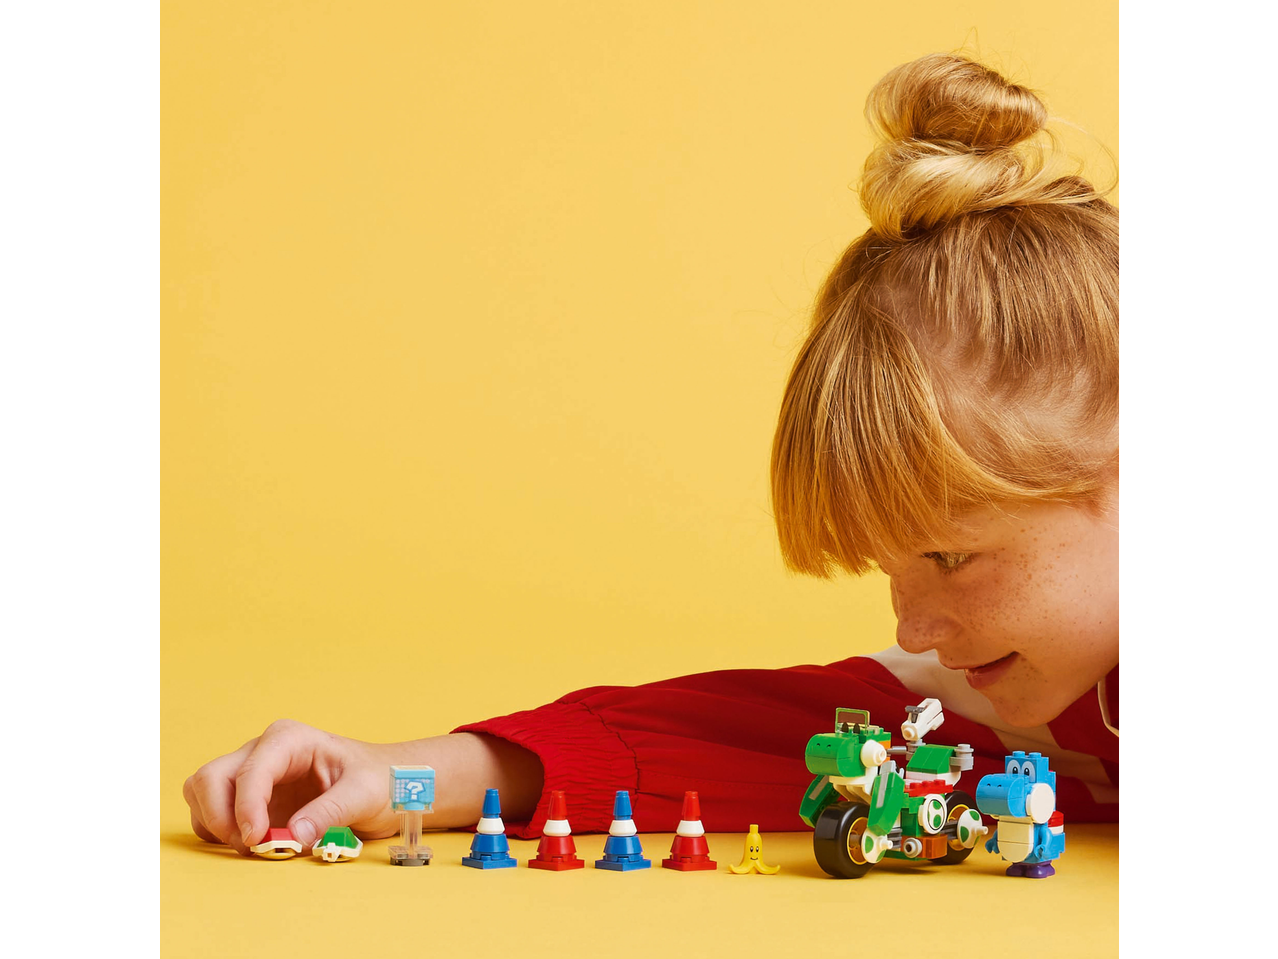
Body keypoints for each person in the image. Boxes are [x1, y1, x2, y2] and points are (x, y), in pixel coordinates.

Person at [183, 52, 1118, 857]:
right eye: (894, 567)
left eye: (951, 555)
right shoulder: (1027, 682)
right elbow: (737, 740)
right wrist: (400, 778)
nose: (914, 629)